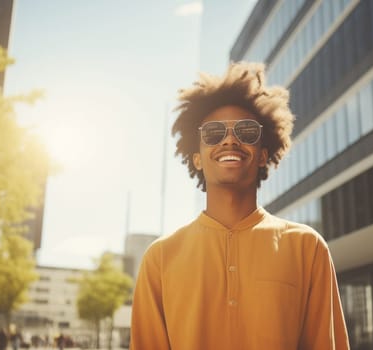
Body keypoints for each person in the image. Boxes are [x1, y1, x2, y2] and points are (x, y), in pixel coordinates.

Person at [130, 62, 349, 349]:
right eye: (213, 133)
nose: (230, 139)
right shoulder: (160, 257)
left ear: (262, 155)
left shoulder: (307, 247)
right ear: (197, 158)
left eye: (246, 132)